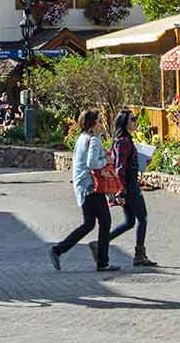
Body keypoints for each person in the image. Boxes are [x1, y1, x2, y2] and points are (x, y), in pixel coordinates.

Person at [49, 110, 119, 273]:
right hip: (92, 187)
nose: (102, 124)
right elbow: (92, 163)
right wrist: (106, 160)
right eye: (99, 121)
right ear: (92, 124)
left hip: (82, 186)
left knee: (89, 224)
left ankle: (58, 250)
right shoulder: (93, 140)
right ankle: (102, 262)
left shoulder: (82, 138)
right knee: (105, 221)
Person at [107, 109, 156, 267]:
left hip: (127, 185)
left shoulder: (124, 140)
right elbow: (120, 167)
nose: (135, 122)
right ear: (124, 123)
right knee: (142, 218)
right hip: (129, 186)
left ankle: (102, 243)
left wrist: (141, 161)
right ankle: (139, 255)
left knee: (129, 222)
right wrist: (120, 191)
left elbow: (126, 164)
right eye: (132, 119)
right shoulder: (123, 142)